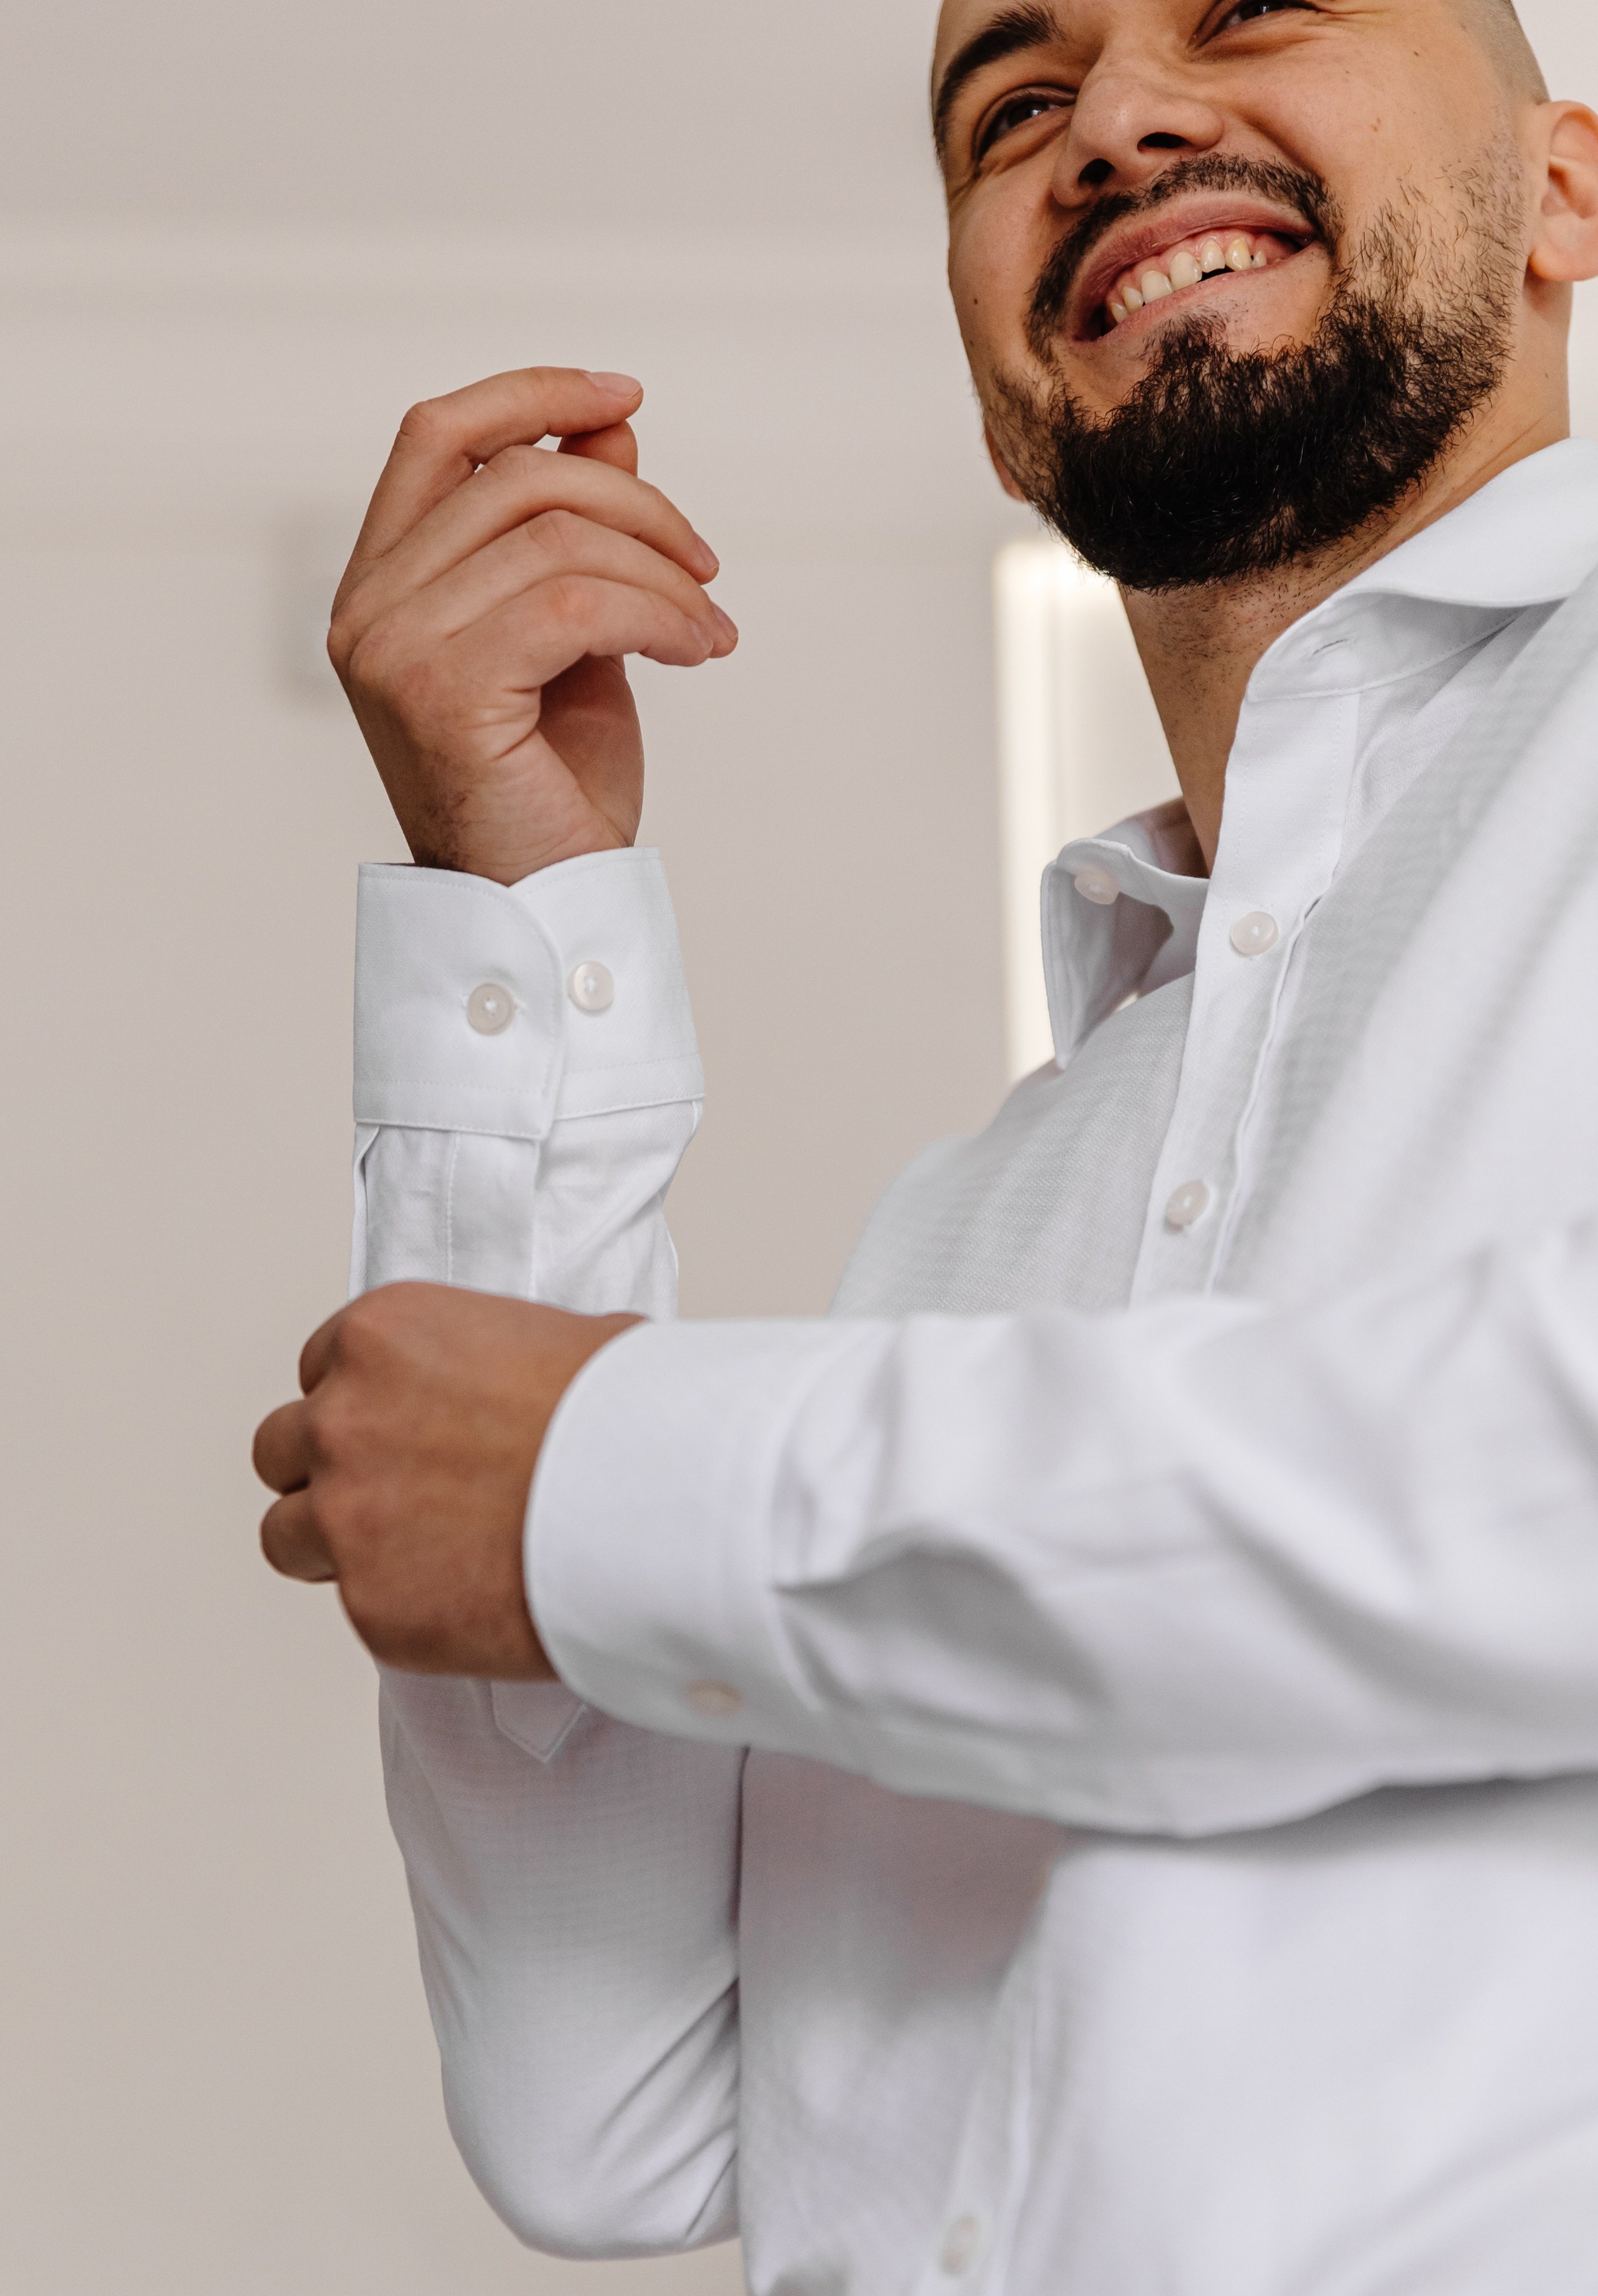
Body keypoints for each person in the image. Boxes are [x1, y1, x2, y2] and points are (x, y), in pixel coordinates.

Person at [253, 0, 1598, 2285]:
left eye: (1252, 10)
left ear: (1572, 189)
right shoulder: (978, 1225)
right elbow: (612, 2112)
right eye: (1014, 108)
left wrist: (624, 1473)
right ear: (1000, 408)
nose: (1121, 120)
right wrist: (525, 932)